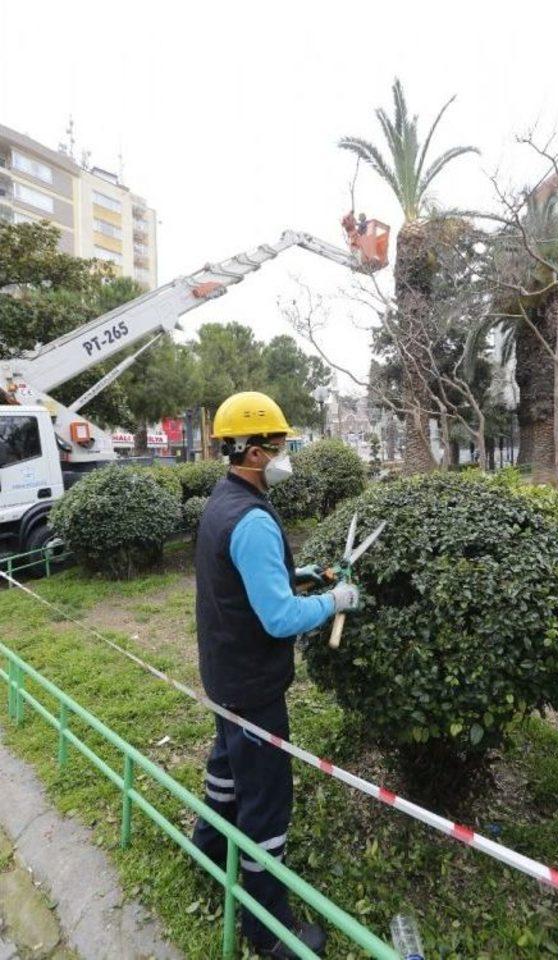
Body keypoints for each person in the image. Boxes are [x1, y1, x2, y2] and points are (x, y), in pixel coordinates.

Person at [192, 391, 359, 958]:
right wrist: (336, 600)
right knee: (265, 797)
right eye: (282, 444)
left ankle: (210, 851)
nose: (288, 453)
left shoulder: (222, 502)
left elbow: (243, 579)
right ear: (257, 453)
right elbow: (281, 617)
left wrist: (302, 571)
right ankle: (269, 926)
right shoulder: (254, 521)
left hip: (222, 674)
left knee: (226, 768)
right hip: (254, 685)